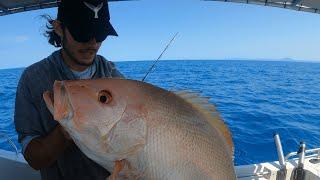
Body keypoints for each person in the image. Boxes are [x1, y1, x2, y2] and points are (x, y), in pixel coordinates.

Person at [14, 0, 124, 179]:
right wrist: (66, 131)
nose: (93, 42)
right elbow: (34, 159)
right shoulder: (33, 79)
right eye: (82, 32)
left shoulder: (113, 76)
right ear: (59, 28)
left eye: (100, 33)